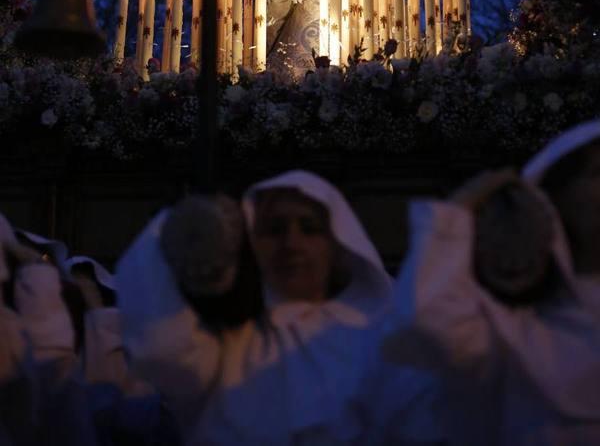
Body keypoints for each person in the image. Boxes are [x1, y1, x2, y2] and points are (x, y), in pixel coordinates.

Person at [116, 170, 399, 445]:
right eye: (274, 230)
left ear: (336, 247)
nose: (291, 244)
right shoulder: (222, 345)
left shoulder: (373, 342)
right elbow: (160, 350)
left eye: (309, 228)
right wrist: (194, 228)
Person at [382, 120, 600, 446]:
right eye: (597, 173)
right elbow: (426, 321)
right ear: (557, 197)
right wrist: (457, 212)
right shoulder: (510, 328)